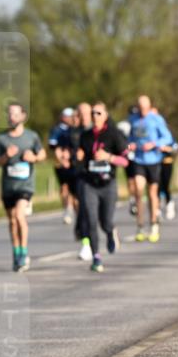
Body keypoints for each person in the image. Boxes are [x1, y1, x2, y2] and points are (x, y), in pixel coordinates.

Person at [0, 103, 46, 272]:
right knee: (12, 220)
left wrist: (34, 157)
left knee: (19, 216)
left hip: (25, 185)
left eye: (15, 114)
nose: (11, 117)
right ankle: (16, 252)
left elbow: (43, 154)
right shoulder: (1, 139)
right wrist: (5, 156)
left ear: (23, 116)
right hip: (8, 186)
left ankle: (23, 252)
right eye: (9, 114)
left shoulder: (31, 137)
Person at [75, 102, 129, 272]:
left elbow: (126, 160)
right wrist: (78, 157)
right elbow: (82, 157)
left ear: (106, 115)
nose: (94, 116)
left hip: (108, 184)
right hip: (89, 183)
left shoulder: (115, 135)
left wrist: (108, 157)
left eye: (98, 113)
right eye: (92, 113)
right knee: (90, 220)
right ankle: (96, 257)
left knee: (105, 221)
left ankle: (110, 231)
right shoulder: (85, 136)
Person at [127, 95, 173, 243]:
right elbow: (129, 138)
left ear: (149, 106)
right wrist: (131, 144)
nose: (142, 111)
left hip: (153, 160)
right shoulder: (133, 119)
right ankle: (140, 226)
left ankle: (154, 225)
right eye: (140, 108)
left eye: (145, 108)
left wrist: (154, 144)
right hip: (139, 159)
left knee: (153, 193)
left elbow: (168, 138)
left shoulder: (156, 119)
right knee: (139, 191)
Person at [49, 107, 77, 225]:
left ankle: (76, 211)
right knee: (64, 187)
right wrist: (61, 159)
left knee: (75, 190)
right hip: (61, 162)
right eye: (66, 116)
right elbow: (53, 146)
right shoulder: (57, 130)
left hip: (73, 162)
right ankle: (67, 209)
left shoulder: (75, 129)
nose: (68, 119)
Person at [73, 102, 94, 260]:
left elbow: (124, 146)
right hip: (81, 175)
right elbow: (62, 148)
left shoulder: (100, 130)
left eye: (87, 113)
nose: (84, 116)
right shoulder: (72, 132)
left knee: (101, 214)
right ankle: (86, 244)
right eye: (81, 113)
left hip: (100, 177)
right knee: (84, 209)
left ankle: (108, 228)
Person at [158, 131, 178, 220]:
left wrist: (166, 148)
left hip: (167, 162)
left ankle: (169, 203)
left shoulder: (168, 136)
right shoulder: (153, 136)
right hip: (156, 163)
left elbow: (175, 148)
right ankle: (157, 210)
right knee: (157, 186)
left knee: (166, 185)